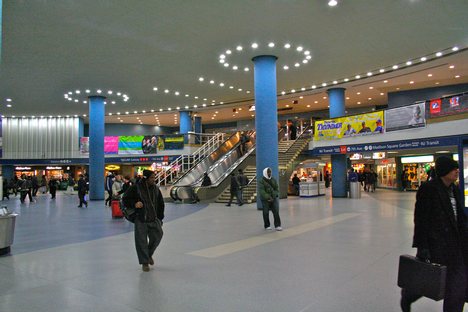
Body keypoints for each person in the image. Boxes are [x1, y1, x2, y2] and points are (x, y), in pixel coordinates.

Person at [400, 156, 467, 312]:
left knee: (458, 287)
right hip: (437, 245)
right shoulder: (428, 189)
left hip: (456, 246)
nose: (457, 171)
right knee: (429, 278)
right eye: (453, 168)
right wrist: (422, 246)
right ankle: (409, 294)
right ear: (444, 170)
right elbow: (421, 219)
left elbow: (460, 218)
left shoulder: (455, 189)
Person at [122, 169, 164, 272]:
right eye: (152, 178)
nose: (154, 180)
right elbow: (125, 199)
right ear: (145, 179)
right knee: (141, 241)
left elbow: (160, 203)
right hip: (141, 219)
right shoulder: (135, 188)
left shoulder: (155, 189)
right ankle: (145, 263)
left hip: (153, 218)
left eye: (154, 177)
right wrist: (134, 204)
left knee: (157, 236)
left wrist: (160, 218)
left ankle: (148, 254)